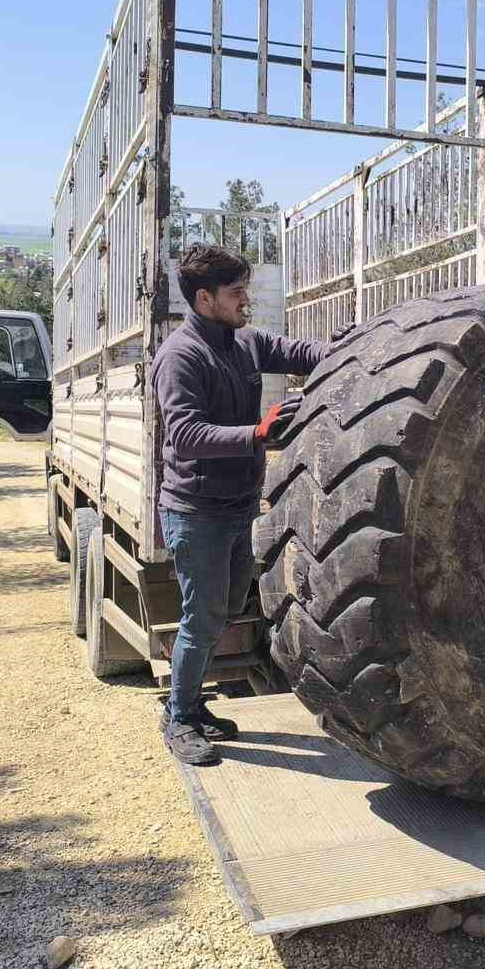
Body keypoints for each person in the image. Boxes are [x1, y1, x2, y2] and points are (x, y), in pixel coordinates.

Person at [152, 243, 334, 767]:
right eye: (236, 293)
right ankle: (180, 717)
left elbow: (296, 352)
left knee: (226, 609)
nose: (246, 301)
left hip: (236, 505)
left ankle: (189, 706)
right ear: (204, 298)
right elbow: (184, 434)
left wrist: (348, 350)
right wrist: (257, 432)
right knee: (202, 616)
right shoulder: (182, 356)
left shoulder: (245, 342)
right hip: (196, 510)